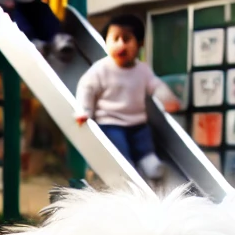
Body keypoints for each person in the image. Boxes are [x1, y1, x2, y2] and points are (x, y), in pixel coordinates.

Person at [74, 13, 182, 180]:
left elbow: (156, 86)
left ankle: (149, 162)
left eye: (126, 39)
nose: (121, 45)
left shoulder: (142, 70)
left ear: (139, 44)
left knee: (144, 142)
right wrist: (84, 111)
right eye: (115, 39)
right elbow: (86, 87)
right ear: (106, 43)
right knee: (119, 146)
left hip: (137, 123)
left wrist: (168, 100)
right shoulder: (101, 69)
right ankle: (127, 169)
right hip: (110, 122)